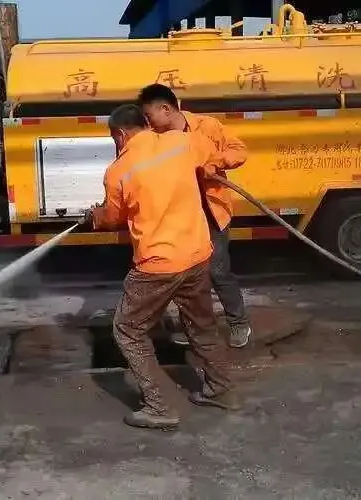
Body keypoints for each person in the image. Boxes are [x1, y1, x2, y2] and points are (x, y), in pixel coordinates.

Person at [80, 103, 241, 430]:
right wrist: (209, 166)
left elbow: (113, 217)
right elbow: (218, 153)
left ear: (120, 134)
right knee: (202, 325)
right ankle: (221, 390)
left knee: (128, 329)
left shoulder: (119, 171)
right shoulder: (181, 142)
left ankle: (159, 406)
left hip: (157, 265)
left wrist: (94, 217)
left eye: (114, 139)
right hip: (196, 254)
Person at [137, 83, 252, 349]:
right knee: (185, 274)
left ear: (165, 109)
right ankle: (195, 328)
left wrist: (215, 163)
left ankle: (239, 323)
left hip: (211, 212)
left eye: (150, 116)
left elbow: (239, 150)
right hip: (180, 216)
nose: (148, 122)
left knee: (218, 271)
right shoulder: (155, 138)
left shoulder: (206, 127)